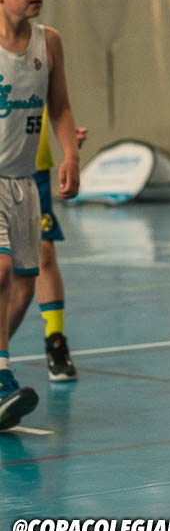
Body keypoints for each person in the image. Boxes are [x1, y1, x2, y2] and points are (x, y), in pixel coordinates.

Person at [0, 0, 80, 430]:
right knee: (2, 268)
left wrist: (71, 152)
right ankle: (1, 377)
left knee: (25, 287)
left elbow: (61, 105)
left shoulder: (48, 42)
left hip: (25, 182)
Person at [28, 109, 87, 381]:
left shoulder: (36, 77)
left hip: (33, 169)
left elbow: (56, 105)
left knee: (44, 254)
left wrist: (69, 146)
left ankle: (55, 341)